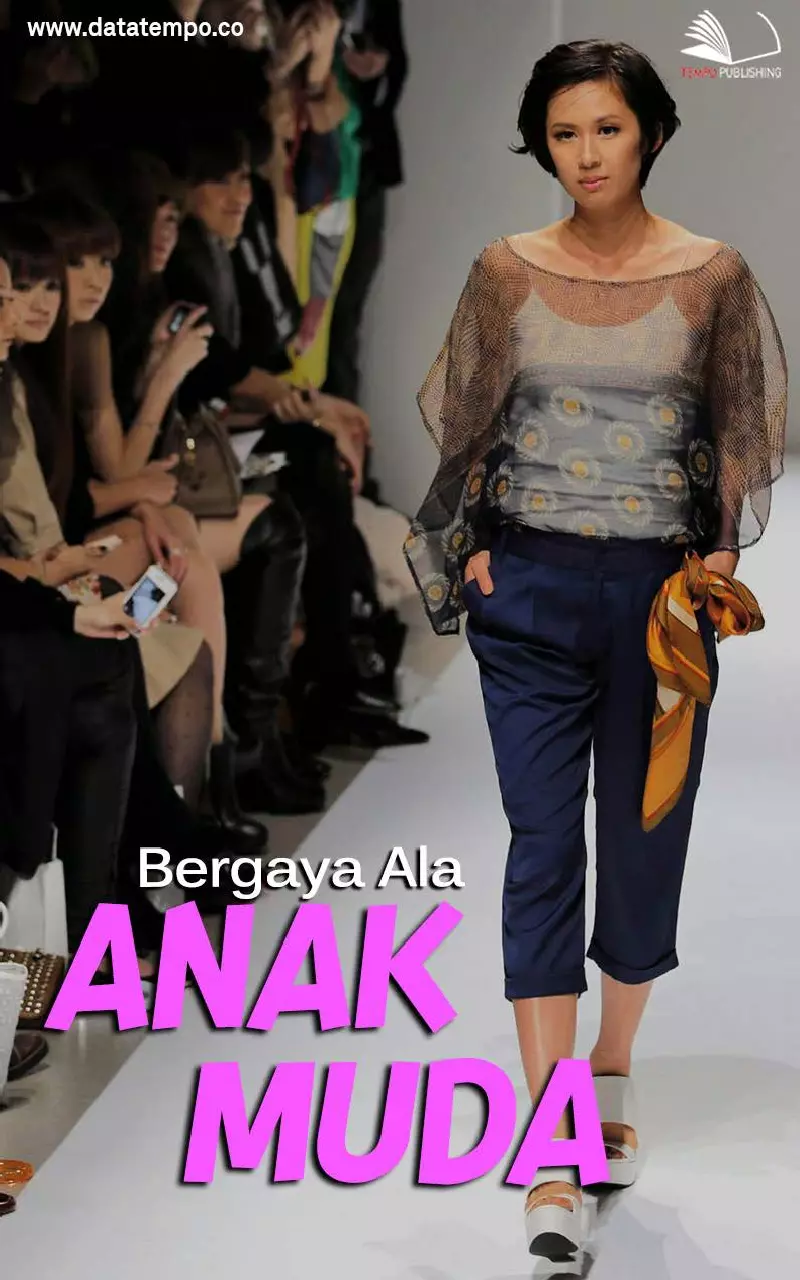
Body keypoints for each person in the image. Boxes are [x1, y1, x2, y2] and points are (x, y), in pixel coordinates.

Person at [404, 40, 786, 1259]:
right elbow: (466, 426)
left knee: (639, 840)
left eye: (606, 129)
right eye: (562, 133)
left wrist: (712, 565)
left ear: (651, 133)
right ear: (540, 142)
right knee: (538, 846)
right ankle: (551, 1140)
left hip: (656, 601)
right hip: (527, 590)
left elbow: (739, 435)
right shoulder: (502, 269)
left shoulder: (710, 273)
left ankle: (609, 1069)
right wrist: (469, 545)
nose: (584, 154)